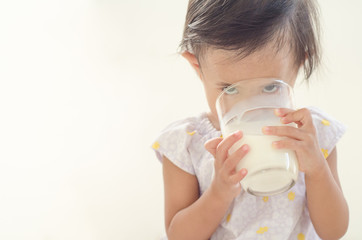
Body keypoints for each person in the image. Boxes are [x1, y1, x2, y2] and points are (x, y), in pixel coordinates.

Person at [152, 0, 349, 239]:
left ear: (299, 64)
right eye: (231, 90)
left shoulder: (312, 136)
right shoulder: (187, 146)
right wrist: (219, 192)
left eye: (269, 88)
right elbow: (178, 235)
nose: (250, 109)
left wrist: (317, 169)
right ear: (198, 67)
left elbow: (334, 231)